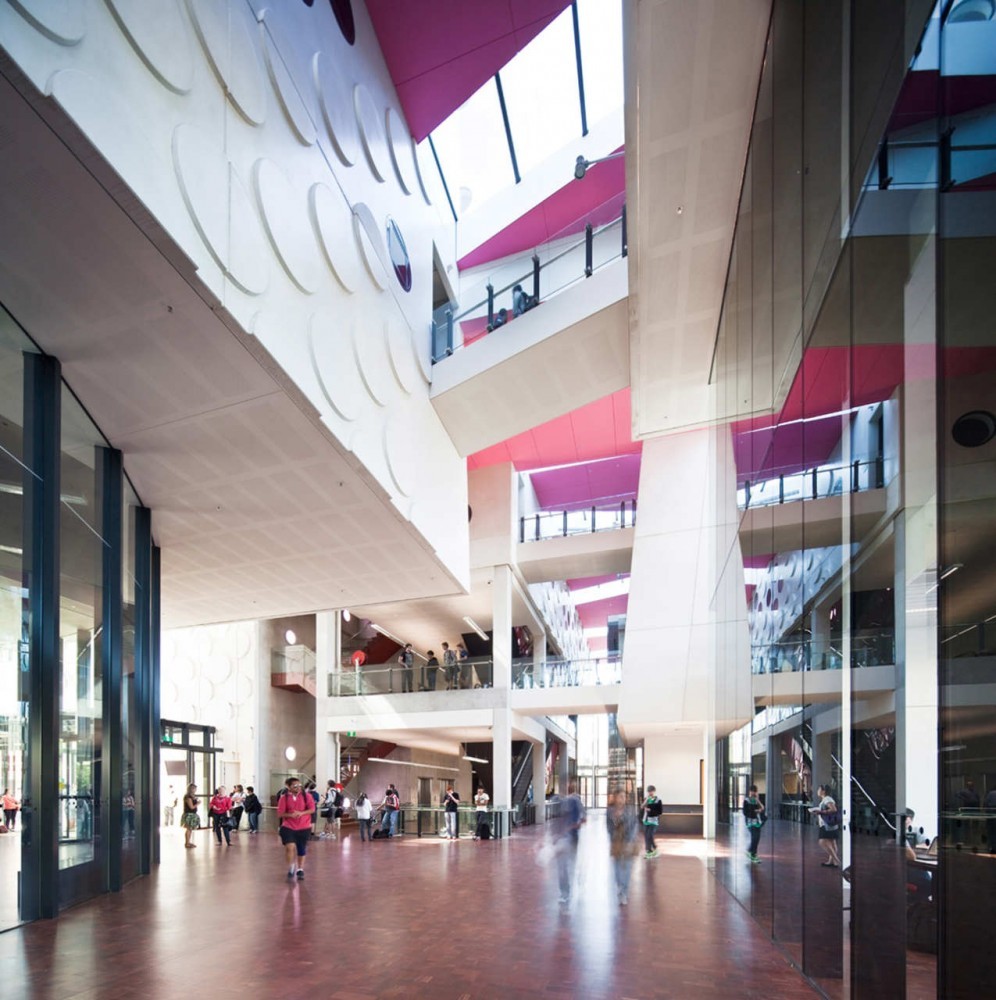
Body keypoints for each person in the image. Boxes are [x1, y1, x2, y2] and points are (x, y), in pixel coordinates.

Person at [277, 776, 315, 879]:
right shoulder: (284, 798)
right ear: (288, 787)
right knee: (290, 847)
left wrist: (301, 813)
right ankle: (291, 866)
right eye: (294, 786)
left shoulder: (307, 796)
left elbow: (312, 809)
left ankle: (300, 869)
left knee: (301, 848)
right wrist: (291, 815)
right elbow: (280, 813)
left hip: (304, 827)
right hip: (288, 827)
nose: (298, 787)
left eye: (299, 785)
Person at [607, 791, 639, 905]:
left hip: (628, 843)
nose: (622, 799)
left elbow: (635, 826)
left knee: (627, 868)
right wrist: (613, 838)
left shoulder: (630, 811)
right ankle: (620, 886)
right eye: (620, 796)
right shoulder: (610, 812)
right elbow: (609, 827)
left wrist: (629, 841)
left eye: (624, 797)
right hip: (616, 843)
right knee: (617, 868)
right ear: (615, 798)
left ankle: (624, 892)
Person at [556, 783, 586, 903]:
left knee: (567, 864)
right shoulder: (562, 801)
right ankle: (566, 891)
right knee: (564, 865)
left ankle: (569, 889)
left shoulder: (574, 802)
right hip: (565, 838)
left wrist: (571, 827)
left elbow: (583, 820)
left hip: (571, 837)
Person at [810, 783, 841, 867]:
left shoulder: (827, 799)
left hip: (827, 825)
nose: (817, 791)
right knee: (832, 842)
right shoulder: (826, 799)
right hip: (830, 824)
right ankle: (832, 862)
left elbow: (833, 809)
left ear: (823, 791)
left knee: (822, 841)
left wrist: (820, 812)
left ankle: (836, 860)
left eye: (819, 789)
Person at [742, 784, 765, 864]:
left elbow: (762, 808)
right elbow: (745, 812)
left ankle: (751, 852)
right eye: (752, 791)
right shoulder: (746, 800)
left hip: (757, 822)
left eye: (755, 792)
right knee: (755, 837)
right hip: (750, 822)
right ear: (750, 792)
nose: (753, 793)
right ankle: (752, 854)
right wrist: (755, 811)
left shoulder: (756, 800)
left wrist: (758, 800)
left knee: (757, 838)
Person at [641, 785, 663, 858]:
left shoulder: (658, 800)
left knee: (649, 835)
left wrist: (650, 810)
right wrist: (646, 801)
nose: (650, 793)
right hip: (646, 820)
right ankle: (649, 851)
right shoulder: (647, 799)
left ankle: (655, 849)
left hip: (653, 821)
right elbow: (642, 807)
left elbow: (660, 812)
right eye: (649, 791)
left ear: (654, 791)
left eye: (651, 791)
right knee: (646, 836)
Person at [181, 783, 199, 848]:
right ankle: (187, 843)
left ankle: (188, 842)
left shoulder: (192, 796)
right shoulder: (188, 797)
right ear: (191, 789)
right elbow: (191, 807)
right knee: (188, 829)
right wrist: (198, 803)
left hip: (192, 814)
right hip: (189, 815)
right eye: (194, 789)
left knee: (190, 829)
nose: (195, 790)